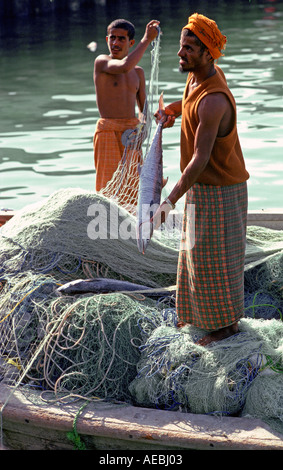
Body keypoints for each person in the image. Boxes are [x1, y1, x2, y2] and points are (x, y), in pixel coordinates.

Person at [153, 13, 249, 346]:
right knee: (195, 257)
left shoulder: (214, 100)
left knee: (216, 262)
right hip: (200, 185)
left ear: (209, 54)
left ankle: (225, 328)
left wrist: (168, 202)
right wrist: (173, 112)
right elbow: (190, 104)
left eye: (190, 49)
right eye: (182, 47)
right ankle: (203, 319)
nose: (182, 54)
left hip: (221, 188)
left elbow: (200, 158)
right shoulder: (196, 78)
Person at [93, 19, 160, 203]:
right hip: (108, 132)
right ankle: (106, 229)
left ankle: (131, 229)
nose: (115, 43)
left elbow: (144, 108)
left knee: (133, 190)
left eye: (121, 39)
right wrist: (147, 39)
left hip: (131, 135)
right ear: (107, 39)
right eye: (112, 38)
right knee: (108, 191)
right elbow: (123, 67)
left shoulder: (138, 72)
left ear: (131, 43)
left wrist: (144, 128)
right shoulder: (102, 62)